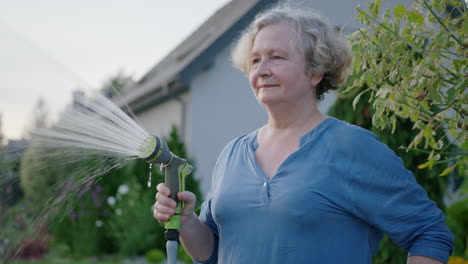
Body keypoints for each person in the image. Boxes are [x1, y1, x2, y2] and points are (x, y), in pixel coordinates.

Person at [153, 4, 454, 264]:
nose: (262, 69)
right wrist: (188, 220)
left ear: (315, 71)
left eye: (277, 57)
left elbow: (429, 232)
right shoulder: (232, 153)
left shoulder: (352, 147)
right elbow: (211, 253)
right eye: (256, 60)